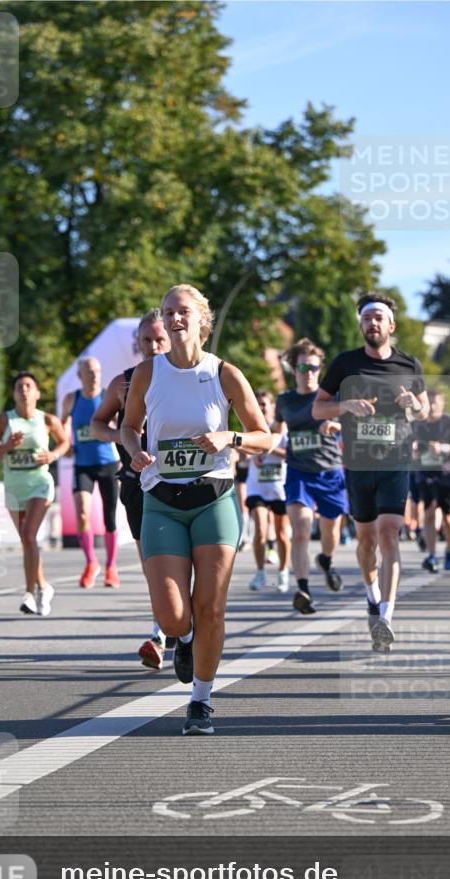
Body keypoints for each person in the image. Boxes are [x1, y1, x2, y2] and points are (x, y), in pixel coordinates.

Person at [121, 284, 271, 735]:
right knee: (171, 614)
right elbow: (128, 428)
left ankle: (200, 701)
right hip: (162, 501)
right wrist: (135, 451)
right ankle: (182, 639)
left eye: (182, 311)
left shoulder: (224, 373)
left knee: (212, 607)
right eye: (168, 312)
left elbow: (265, 437)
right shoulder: (148, 374)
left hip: (215, 498)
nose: (174, 319)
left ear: (201, 319)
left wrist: (231, 438)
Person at [313, 293, 429, 653]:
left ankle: (386, 617)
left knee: (389, 534)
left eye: (379, 318)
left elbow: (424, 411)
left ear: (391, 325)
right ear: (361, 324)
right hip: (358, 465)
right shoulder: (345, 364)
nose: (373, 323)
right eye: (367, 318)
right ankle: (371, 594)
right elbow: (318, 409)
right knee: (366, 543)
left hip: (395, 461)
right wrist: (344, 405)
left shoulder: (409, 366)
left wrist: (414, 405)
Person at [91, 309, 173, 669]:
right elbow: (97, 424)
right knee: (152, 565)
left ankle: (182, 629)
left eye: (159, 340)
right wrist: (124, 439)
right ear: (137, 344)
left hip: (182, 483)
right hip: (138, 484)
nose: (153, 347)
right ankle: (161, 632)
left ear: (171, 338)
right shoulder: (123, 383)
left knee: (184, 565)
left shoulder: (191, 379)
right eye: (147, 341)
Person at [0, 372, 69, 615]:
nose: (24, 390)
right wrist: (7, 447)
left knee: (29, 534)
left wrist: (53, 455)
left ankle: (29, 594)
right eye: (19, 386)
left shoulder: (48, 420)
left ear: (37, 393)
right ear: (13, 394)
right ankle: (44, 587)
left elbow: (65, 442)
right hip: (14, 486)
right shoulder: (2, 421)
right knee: (28, 542)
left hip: (40, 483)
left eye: (29, 386)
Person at [273, 340, 347, 614]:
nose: (309, 372)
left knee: (331, 532)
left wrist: (335, 424)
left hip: (330, 472)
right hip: (298, 473)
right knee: (301, 530)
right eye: (303, 366)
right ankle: (303, 589)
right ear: (294, 368)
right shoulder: (285, 400)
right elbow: (275, 430)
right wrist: (261, 446)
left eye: (314, 367)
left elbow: (349, 423)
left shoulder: (331, 398)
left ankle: (326, 560)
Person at [61, 357, 122, 589]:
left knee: (109, 517)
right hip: (82, 465)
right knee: (83, 514)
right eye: (89, 372)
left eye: (97, 371)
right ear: (80, 376)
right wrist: (65, 443)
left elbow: (122, 426)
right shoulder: (71, 399)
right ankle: (90, 563)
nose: (95, 375)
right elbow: (62, 424)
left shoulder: (108, 397)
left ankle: (111, 567)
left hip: (108, 464)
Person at [412, 390, 450, 572]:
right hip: (425, 472)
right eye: (429, 403)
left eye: (436, 403)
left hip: (446, 474)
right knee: (428, 512)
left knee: (448, 515)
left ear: (443, 404)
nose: (433, 406)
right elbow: (409, 447)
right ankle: (432, 555)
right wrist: (412, 451)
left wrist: (443, 448)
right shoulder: (417, 424)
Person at [246, 390, 290, 593]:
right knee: (261, 530)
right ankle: (260, 572)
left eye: (265, 404)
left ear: (273, 406)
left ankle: (283, 573)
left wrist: (269, 449)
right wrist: (251, 452)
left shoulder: (282, 430)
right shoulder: (252, 428)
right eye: (259, 404)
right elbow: (243, 448)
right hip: (257, 487)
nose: (262, 408)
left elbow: (291, 455)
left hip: (279, 487)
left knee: (281, 534)